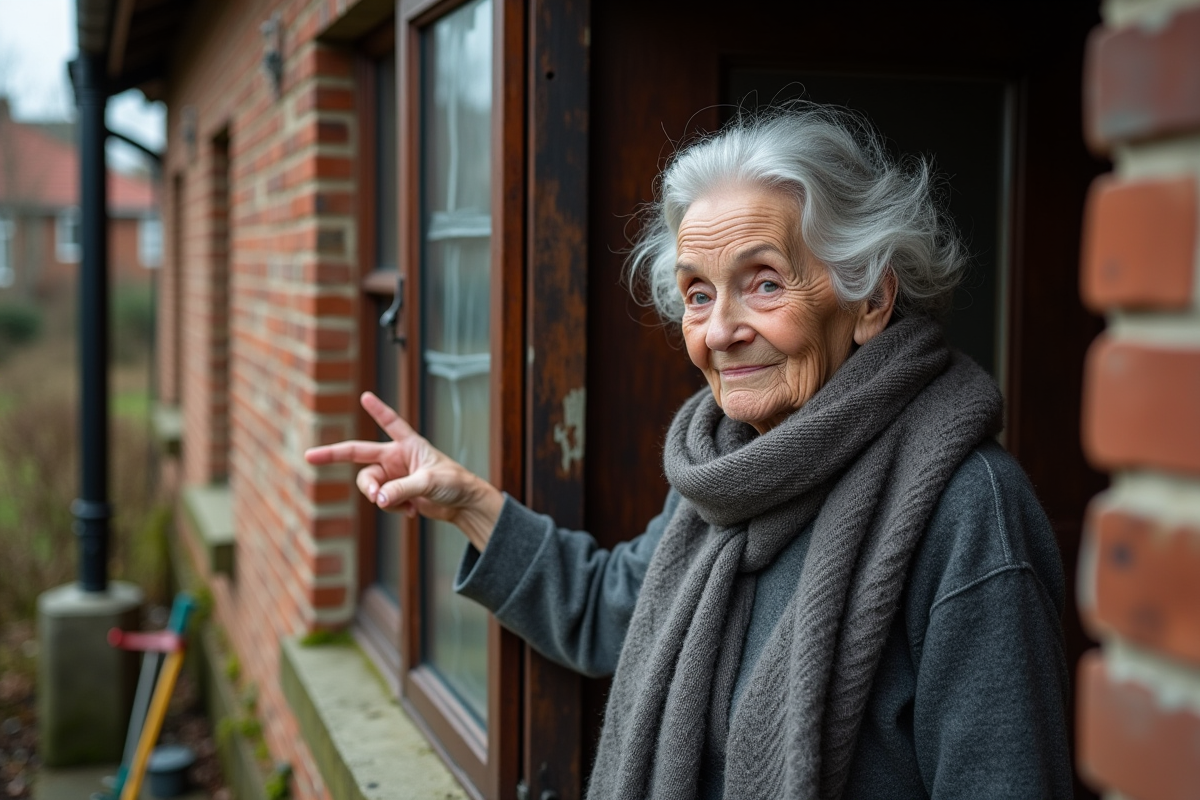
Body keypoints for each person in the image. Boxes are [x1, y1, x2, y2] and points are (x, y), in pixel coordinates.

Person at [305, 105, 1072, 800]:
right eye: (698, 293)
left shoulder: (969, 510)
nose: (719, 330)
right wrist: (469, 502)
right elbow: (619, 613)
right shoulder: (728, 468)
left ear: (869, 298)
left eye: (763, 284)